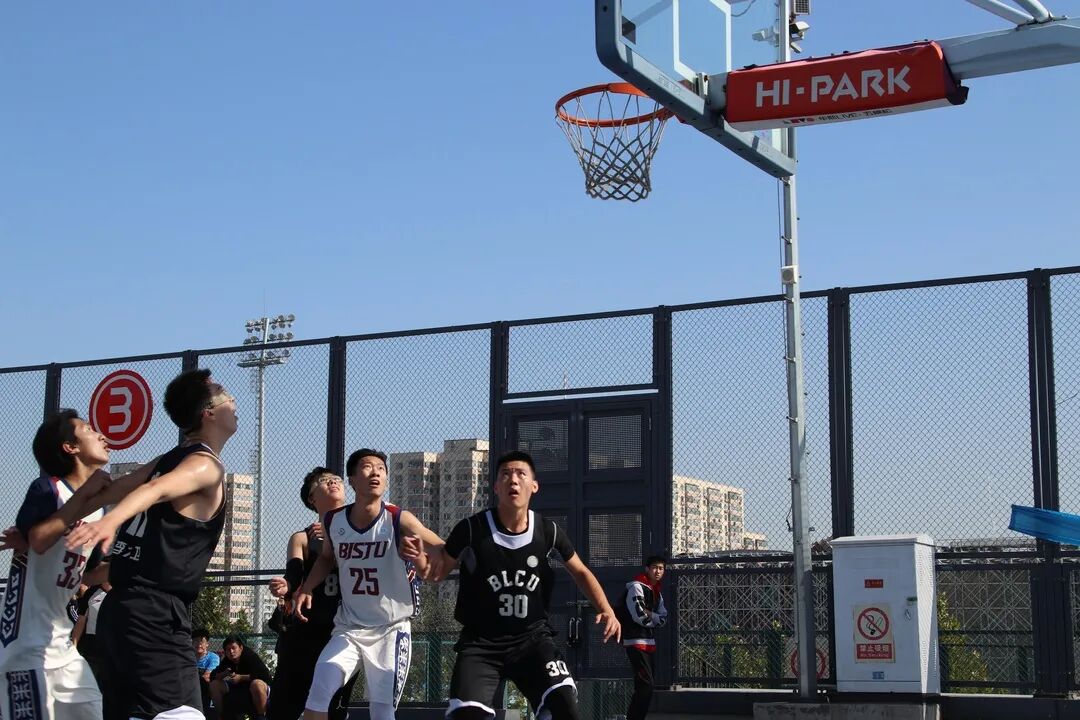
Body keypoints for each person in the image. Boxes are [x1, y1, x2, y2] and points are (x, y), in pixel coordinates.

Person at [67, 368, 238, 720]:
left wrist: (50, 525)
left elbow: (112, 490)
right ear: (208, 413)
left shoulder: (167, 459)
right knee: (183, 715)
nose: (233, 399)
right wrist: (108, 522)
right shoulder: (205, 466)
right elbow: (153, 490)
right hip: (154, 615)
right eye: (224, 393)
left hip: (120, 612)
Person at [429, 450, 621, 720]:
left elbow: (580, 571)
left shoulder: (548, 531)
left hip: (532, 641)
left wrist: (606, 608)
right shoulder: (471, 529)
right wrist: (421, 561)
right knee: (467, 715)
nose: (513, 480)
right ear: (496, 487)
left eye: (521, 474)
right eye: (505, 474)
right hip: (481, 644)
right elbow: (437, 573)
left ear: (534, 486)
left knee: (563, 704)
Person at [293, 449, 443, 720]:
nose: (375, 472)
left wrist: (425, 554)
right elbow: (326, 558)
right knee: (316, 700)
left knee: (381, 713)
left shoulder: (398, 518)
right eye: (367, 467)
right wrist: (307, 587)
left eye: (381, 468)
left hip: (390, 630)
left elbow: (440, 547)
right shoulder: (334, 520)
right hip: (348, 629)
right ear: (352, 480)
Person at [0, 410, 112, 720]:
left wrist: (137, 562)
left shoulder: (98, 511)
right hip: (26, 647)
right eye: (88, 429)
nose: (101, 435)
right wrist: (87, 492)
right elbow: (37, 539)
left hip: (62, 647)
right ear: (70, 447)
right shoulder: (48, 490)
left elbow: (89, 574)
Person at [265, 467, 357, 720]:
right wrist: (286, 585)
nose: (333, 482)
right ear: (312, 499)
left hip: (345, 631)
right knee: (285, 705)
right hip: (306, 630)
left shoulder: (361, 532)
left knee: (332, 707)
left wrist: (334, 540)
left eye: (336, 479)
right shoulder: (303, 538)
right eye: (324, 481)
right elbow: (293, 573)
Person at [615, 556, 667, 720]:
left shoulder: (656, 591)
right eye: (654, 567)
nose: (657, 571)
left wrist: (652, 615)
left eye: (661, 568)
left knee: (645, 686)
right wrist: (654, 619)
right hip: (636, 642)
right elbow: (639, 615)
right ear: (647, 569)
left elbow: (664, 617)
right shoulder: (636, 587)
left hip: (649, 643)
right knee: (646, 685)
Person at [208, 636, 272, 720]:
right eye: (228, 649)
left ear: (241, 648)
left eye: (233, 648)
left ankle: (262, 716)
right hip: (237, 688)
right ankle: (221, 716)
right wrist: (224, 673)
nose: (231, 651)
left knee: (256, 684)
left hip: (255, 688)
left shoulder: (250, 656)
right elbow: (212, 676)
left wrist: (242, 677)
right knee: (214, 685)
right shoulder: (227, 660)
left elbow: (265, 675)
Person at [193, 628, 221, 717]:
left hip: (206, 689)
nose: (199, 644)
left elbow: (207, 676)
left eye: (202, 642)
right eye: (196, 641)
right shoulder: (188, 657)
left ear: (207, 644)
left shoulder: (213, 657)